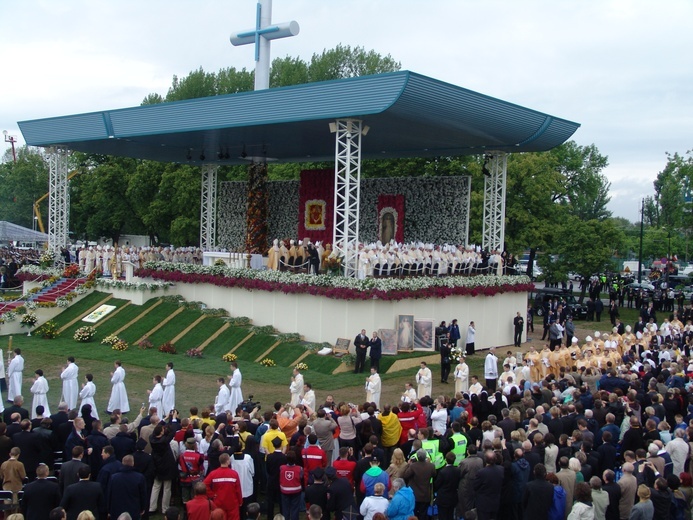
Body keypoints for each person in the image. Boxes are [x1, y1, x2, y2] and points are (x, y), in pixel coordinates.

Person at [107, 454, 148, 520]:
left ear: (122, 463)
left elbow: (109, 494)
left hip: (116, 510)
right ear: (133, 463)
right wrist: (143, 508)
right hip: (134, 510)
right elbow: (143, 495)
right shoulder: (139, 477)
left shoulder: (113, 477)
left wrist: (108, 509)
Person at [205, 452, 243, 520]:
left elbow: (204, 484)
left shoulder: (213, 474)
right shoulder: (234, 474)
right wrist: (240, 501)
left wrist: (212, 495)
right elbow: (238, 490)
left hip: (218, 502)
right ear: (228, 461)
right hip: (232, 503)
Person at [473, 450, 504, 520]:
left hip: (483, 504)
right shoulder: (501, 470)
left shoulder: (481, 472)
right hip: (495, 502)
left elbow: (475, 486)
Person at [434, 452, 461, 520]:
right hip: (453, 497)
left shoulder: (442, 472)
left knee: (442, 516)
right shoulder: (457, 470)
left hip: (443, 499)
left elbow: (437, 485)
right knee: (450, 516)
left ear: (445, 460)